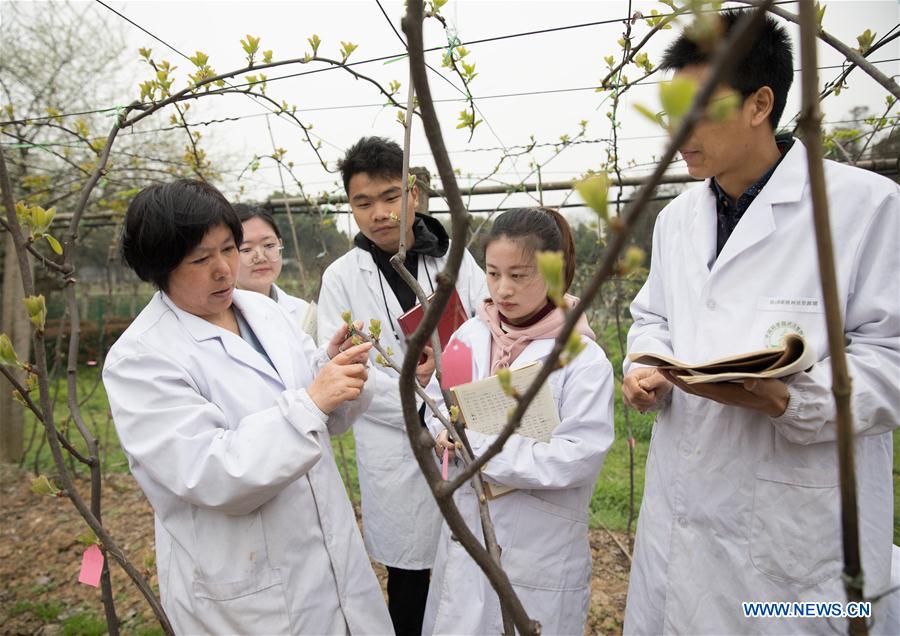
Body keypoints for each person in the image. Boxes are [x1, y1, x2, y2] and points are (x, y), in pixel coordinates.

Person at [621, 10, 899, 635]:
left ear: (759, 104)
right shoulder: (677, 220)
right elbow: (652, 317)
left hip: (797, 538)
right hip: (683, 511)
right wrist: (644, 364)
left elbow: (892, 354)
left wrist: (792, 402)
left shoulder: (864, 209)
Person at [102, 179, 393, 635]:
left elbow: (318, 412)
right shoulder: (141, 358)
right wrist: (313, 401)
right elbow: (211, 471)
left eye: (228, 249)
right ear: (160, 267)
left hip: (329, 559)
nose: (224, 269)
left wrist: (333, 367)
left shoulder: (265, 313)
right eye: (201, 259)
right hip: (249, 592)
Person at [317, 136, 488, 635]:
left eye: (390, 197)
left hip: (461, 431)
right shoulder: (340, 279)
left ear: (414, 194)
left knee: (466, 567)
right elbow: (342, 369)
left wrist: (448, 396)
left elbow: (486, 329)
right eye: (362, 202)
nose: (378, 213)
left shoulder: (453, 260)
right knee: (410, 580)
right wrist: (416, 399)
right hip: (394, 444)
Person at [424, 207, 615, 636]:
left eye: (519, 275)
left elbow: (579, 456)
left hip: (538, 542)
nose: (502, 289)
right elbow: (438, 402)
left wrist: (481, 450)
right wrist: (441, 431)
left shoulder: (582, 359)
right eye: (493, 273)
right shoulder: (467, 337)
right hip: (468, 527)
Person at [233, 203, 317, 340]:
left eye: (269, 245)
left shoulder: (305, 315)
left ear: (280, 244)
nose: (260, 257)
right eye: (246, 249)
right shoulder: (219, 319)